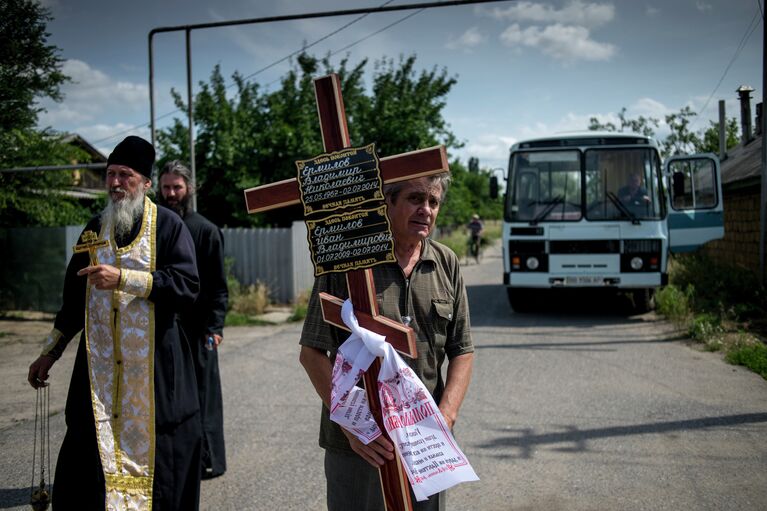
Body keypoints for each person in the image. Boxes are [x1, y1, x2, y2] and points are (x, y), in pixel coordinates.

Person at [27, 136, 202, 510]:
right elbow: (72, 302)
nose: (116, 183)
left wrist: (123, 279)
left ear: (146, 183)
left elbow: (187, 286)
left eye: (126, 175)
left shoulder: (169, 227)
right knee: (87, 459)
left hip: (154, 370)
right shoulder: (94, 229)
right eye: (110, 174)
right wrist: (49, 353)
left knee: (161, 458)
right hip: (99, 374)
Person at [298, 174, 475, 511]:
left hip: (424, 442)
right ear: (387, 203)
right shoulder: (348, 264)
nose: (426, 209)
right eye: (415, 198)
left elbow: (462, 351)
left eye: (433, 202)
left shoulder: (446, 262)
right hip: (361, 445)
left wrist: (446, 417)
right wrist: (355, 427)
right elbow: (312, 353)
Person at [158, 160, 229, 480]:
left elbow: (218, 286)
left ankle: (209, 460)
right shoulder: (154, 229)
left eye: (177, 187)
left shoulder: (206, 230)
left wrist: (215, 327)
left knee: (204, 395)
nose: (171, 193)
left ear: (189, 189)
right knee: (168, 397)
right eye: (166, 187)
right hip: (164, 328)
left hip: (199, 328)